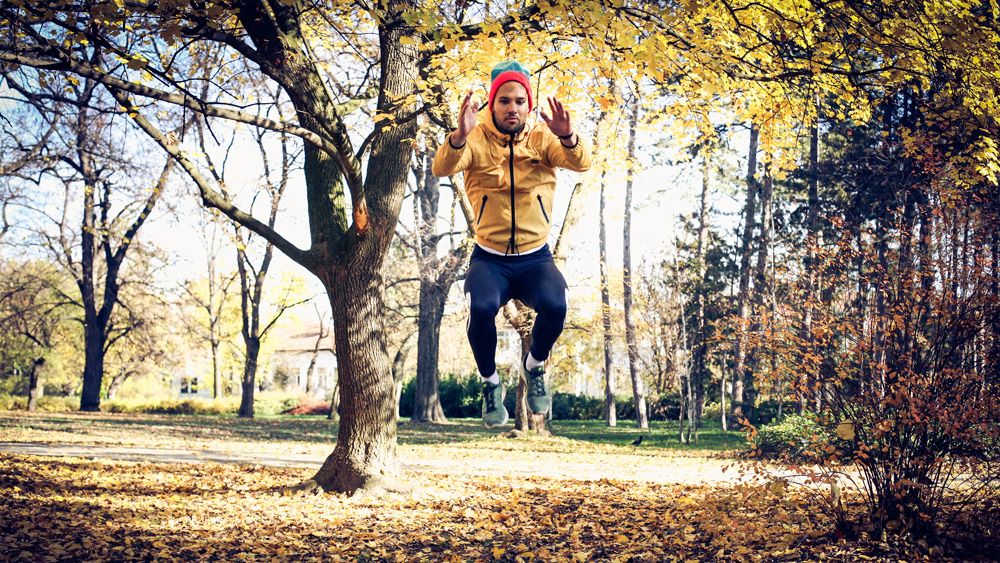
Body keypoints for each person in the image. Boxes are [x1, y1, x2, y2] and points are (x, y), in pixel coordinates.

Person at [432, 61, 592, 427]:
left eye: (520, 101)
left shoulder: (542, 138)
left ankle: (534, 368)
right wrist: (458, 136)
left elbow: (581, 163)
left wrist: (567, 136)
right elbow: (442, 167)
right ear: (492, 104)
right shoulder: (474, 140)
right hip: (490, 259)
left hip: (535, 258)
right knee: (480, 306)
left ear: (529, 105)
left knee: (557, 304)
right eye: (504, 100)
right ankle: (490, 383)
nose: (512, 108)